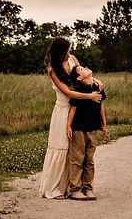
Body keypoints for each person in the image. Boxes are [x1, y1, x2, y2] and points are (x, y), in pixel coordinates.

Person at [38, 37, 103, 200]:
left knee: (77, 151)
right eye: (66, 51)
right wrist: (89, 97)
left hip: (78, 109)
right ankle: (56, 188)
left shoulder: (73, 59)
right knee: (62, 147)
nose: (69, 53)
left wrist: (95, 80)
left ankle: (75, 185)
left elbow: (81, 77)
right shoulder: (53, 70)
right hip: (63, 110)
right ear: (59, 53)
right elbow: (67, 92)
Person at [66, 64, 108, 201]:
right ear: (79, 77)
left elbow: (101, 107)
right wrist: (68, 125)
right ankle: (75, 189)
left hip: (93, 128)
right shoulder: (79, 91)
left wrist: (104, 125)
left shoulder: (98, 87)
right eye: (81, 69)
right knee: (77, 158)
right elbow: (73, 109)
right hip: (79, 128)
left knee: (89, 159)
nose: (85, 68)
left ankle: (88, 187)